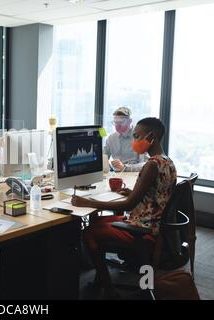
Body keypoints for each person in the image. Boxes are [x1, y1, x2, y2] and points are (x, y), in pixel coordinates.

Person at [71, 117, 177, 298]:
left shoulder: (151, 165)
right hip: (154, 223)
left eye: (137, 137)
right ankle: (99, 280)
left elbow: (129, 205)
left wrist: (88, 202)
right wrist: (133, 191)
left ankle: (109, 290)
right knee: (100, 221)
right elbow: (158, 193)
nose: (135, 141)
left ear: (151, 137)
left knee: (89, 231)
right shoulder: (167, 161)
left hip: (143, 228)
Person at [104, 106, 148, 172]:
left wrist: (125, 167)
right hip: (117, 175)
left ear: (130, 121)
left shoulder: (140, 137)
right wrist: (107, 165)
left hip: (134, 175)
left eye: (121, 122)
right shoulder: (111, 138)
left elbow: (146, 164)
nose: (117, 126)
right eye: (115, 122)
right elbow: (103, 158)